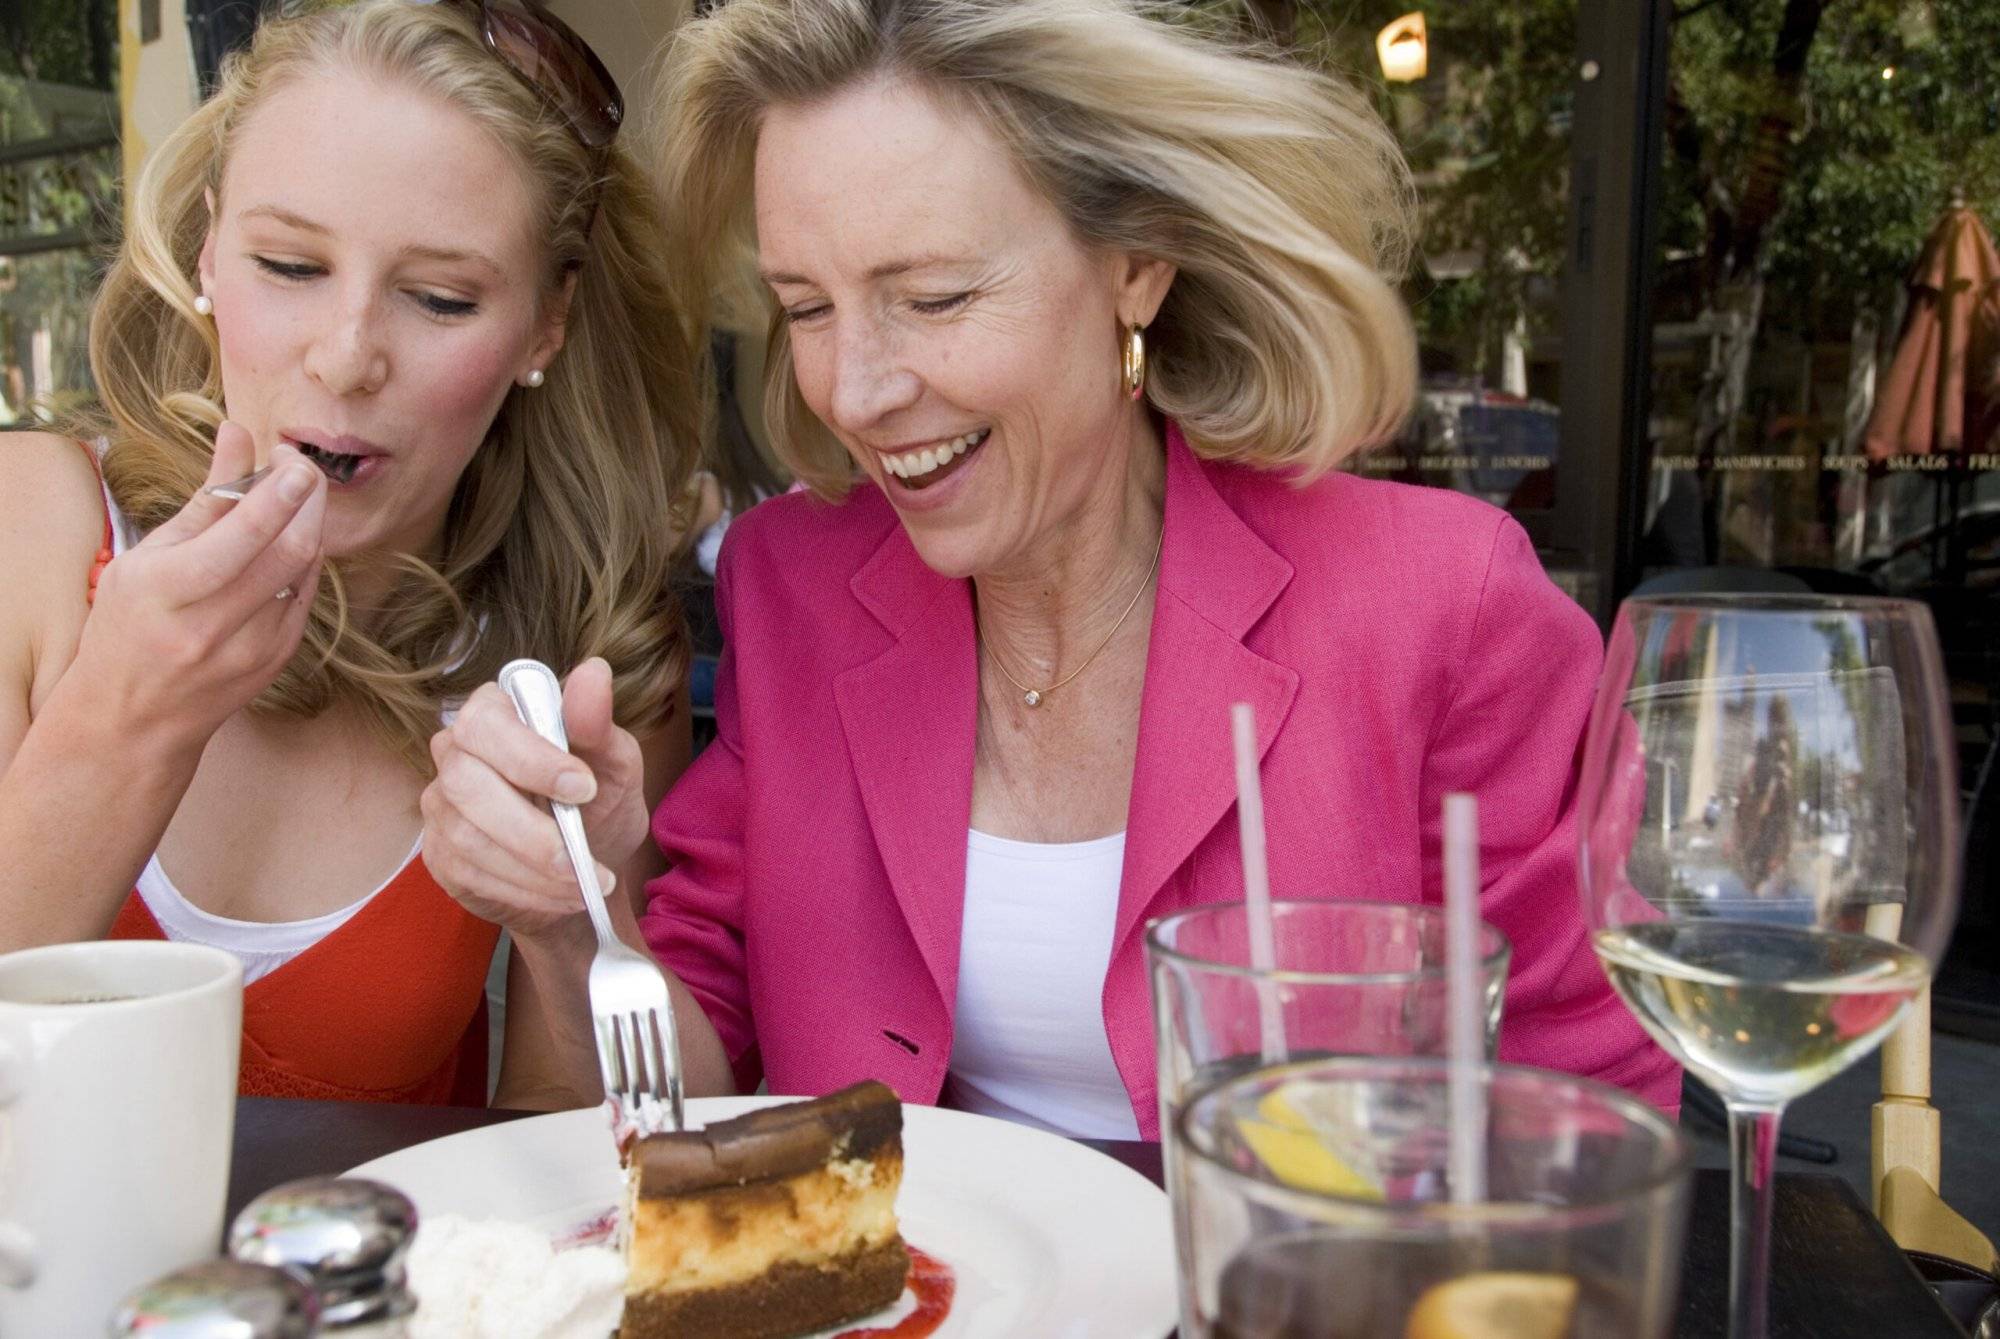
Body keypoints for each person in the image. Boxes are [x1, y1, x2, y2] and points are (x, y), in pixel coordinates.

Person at [425, 0, 1678, 1136]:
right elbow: (693, 1087)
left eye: (933, 295)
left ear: (1135, 263)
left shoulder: (1439, 606)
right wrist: (569, 922)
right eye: (806, 307)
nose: (854, 390)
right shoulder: (785, 586)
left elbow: (1589, 1119)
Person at [0, 0, 702, 1108]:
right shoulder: (29, 524)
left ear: (545, 327)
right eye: (286, 265)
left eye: (438, 297)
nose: (345, 355)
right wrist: (122, 716)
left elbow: (588, 1182)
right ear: (206, 251)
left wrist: (577, 926)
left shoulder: (576, 662)